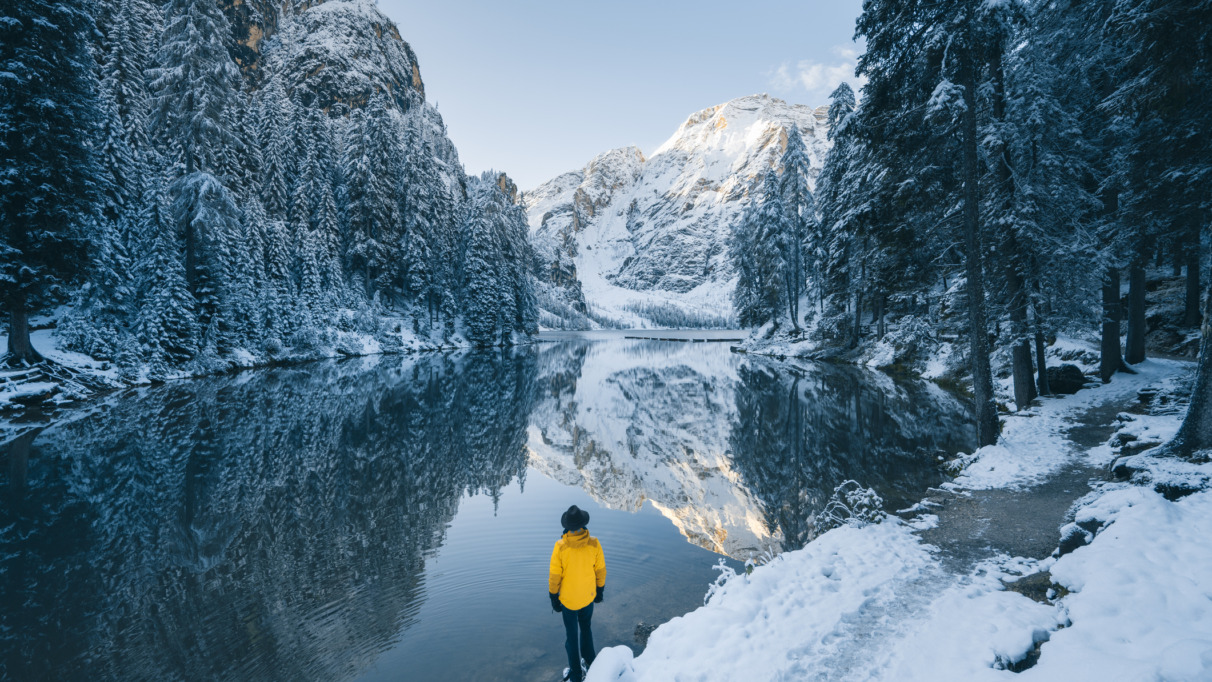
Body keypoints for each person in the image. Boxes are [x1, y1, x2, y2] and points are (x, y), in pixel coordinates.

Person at [548, 505, 606, 682]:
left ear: (567, 527)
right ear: (583, 525)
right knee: (586, 630)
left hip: (568, 601)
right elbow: (601, 571)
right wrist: (600, 591)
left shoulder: (561, 547)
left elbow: (554, 576)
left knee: (571, 638)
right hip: (587, 598)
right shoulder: (594, 543)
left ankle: (575, 675)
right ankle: (591, 664)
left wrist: (553, 598)